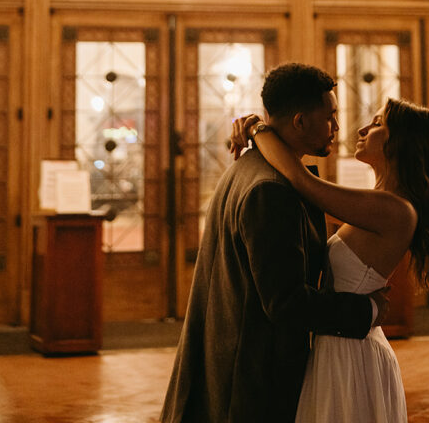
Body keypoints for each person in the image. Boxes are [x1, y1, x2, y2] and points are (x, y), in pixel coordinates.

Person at [160, 62, 388, 423]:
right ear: (299, 122)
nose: (337, 128)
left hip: (226, 359)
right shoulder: (272, 190)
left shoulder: (246, 168)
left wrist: (254, 126)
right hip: (251, 378)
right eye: (329, 116)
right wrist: (365, 311)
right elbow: (286, 303)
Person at [231, 94, 429, 423]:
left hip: (350, 352)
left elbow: (301, 181)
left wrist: (258, 128)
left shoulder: (395, 209)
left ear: (401, 143)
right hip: (340, 340)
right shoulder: (379, 201)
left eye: (378, 124)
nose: (362, 129)